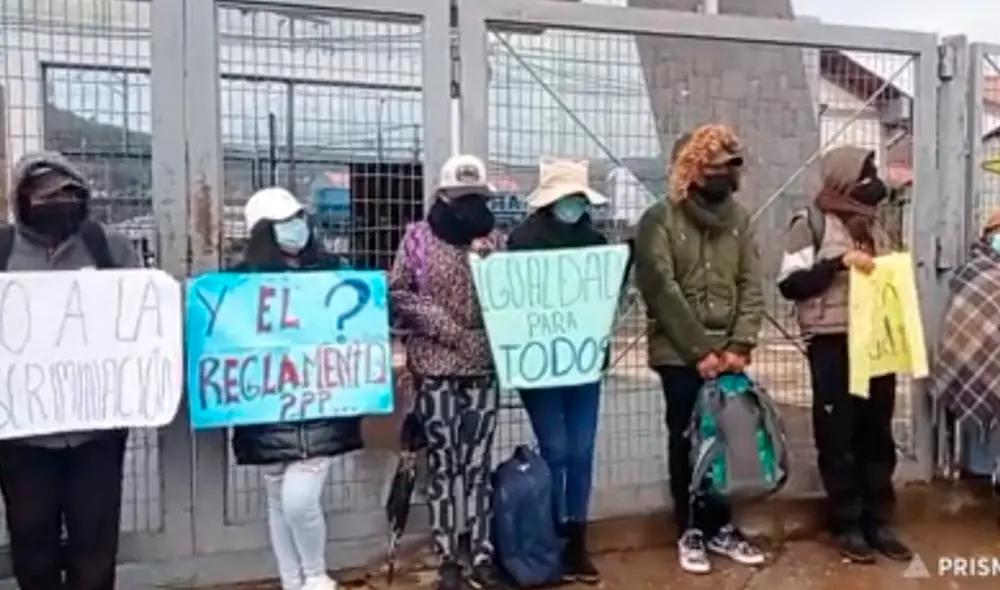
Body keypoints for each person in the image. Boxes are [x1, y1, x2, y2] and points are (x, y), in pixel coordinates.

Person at [0, 151, 143, 590]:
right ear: (21, 199)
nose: (57, 203)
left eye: (68, 194)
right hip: (21, 436)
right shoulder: (3, 250)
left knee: (95, 547)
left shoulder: (107, 247)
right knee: (32, 545)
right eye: (45, 196)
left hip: (95, 433)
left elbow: (140, 316)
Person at [633, 124, 765, 574]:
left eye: (728, 169)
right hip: (679, 354)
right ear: (692, 169)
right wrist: (699, 351)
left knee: (728, 438)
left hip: (730, 352)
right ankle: (689, 529)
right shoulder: (659, 219)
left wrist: (740, 343)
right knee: (687, 439)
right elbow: (660, 288)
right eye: (712, 169)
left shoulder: (739, 219)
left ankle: (721, 526)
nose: (722, 177)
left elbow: (751, 281)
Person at [776, 146, 912, 563]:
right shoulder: (811, 224)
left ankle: (879, 520)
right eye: (865, 173)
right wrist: (836, 265)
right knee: (838, 434)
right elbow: (790, 283)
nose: (874, 182)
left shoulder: (877, 226)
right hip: (832, 342)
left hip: (877, 341)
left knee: (877, 432)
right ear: (843, 178)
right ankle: (847, 523)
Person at [230, 187, 361, 590]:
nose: (296, 228)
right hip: (266, 412)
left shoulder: (332, 272)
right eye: (284, 223)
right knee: (277, 499)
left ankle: (317, 575)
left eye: (298, 218)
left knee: (299, 500)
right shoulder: (238, 285)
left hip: (320, 408)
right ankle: (293, 580)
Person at [389, 154, 507, 590]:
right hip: (437, 368)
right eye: (461, 197)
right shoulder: (418, 239)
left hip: (482, 368)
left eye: (475, 197)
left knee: (477, 463)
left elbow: (509, 297)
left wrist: (492, 265)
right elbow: (398, 291)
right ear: (442, 196)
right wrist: (445, 328)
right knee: (443, 463)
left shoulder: (494, 239)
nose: (468, 206)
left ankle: (480, 551)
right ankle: (446, 557)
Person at [506, 158, 610, 584]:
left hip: (583, 362)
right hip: (542, 366)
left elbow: (607, 296)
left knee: (582, 450)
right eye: (567, 198)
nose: (574, 205)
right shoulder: (522, 242)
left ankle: (577, 542)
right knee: (557, 448)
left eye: (578, 198)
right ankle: (551, 538)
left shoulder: (596, 242)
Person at [933, 209, 1000, 495]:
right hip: (980, 364)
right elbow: (964, 326)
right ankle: (981, 473)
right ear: (988, 236)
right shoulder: (972, 272)